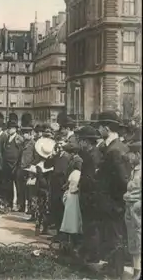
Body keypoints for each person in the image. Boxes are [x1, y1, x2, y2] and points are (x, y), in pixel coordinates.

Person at [96, 111, 131, 279]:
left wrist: (116, 202)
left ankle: (116, 271)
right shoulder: (115, 147)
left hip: (113, 202)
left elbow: (122, 179)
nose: (98, 130)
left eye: (100, 127)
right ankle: (112, 266)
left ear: (107, 128)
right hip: (110, 201)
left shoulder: (115, 150)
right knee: (111, 235)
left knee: (115, 236)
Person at [76, 125, 104, 264]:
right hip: (88, 195)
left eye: (80, 140)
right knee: (88, 225)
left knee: (91, 226)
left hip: (91, 197)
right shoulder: (92, 154)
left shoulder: (93, 156)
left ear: (86, 141)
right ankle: (89, 252)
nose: (79, 143)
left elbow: (92, 178)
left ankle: (94, 255)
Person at [30, 137, 55, 235]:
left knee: (39, 209)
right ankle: (45, 227)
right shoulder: (51, 164)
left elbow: (33, 177)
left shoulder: (37, 165)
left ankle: (37, 227)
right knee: (46, 208)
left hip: (39, 188)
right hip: (47, 188)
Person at [123, 140, 141, 280]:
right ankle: (136, 269)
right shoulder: (134, 169)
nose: (128, 156)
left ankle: (138, 271)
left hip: (138, 208)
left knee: (138, 238)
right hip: (131, 208)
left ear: (138, 154)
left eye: (131, 153)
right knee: (134, 239)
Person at [3, 120, 24, 209]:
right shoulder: (8, 138)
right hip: (8, 165)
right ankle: (9, 203)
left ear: (15, 129)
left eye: (11, 128)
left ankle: (21, 205)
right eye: (8, 128)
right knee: (8, 186)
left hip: (16, 166)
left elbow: (21, 153)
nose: (9, 130)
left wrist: (17, 164)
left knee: (19, 186)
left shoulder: (18, 138)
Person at [18, 126, 35, 214]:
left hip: (29, 169)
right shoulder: (23, 143)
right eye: (23, 133)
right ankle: (22, 206)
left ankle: (30, 208)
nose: (24, 135)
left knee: (29, 191)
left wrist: (31, 167)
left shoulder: (33, 143)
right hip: (22, 168)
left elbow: (34, 157)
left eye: (25, 133)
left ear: (29, 134)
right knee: (21, 189)